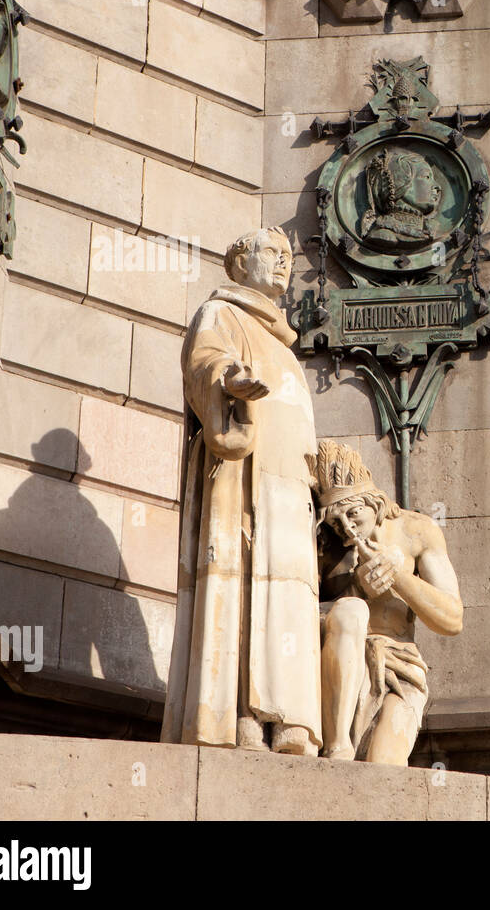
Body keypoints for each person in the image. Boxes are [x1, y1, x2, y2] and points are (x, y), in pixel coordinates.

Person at [162, 227, 324, 755]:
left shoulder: (285, 346)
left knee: (290, 592)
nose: (283, 263)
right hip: (243, 482)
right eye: (270, 253)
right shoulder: (221, 314)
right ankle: (242, 718)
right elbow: (203, 363)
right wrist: (228, 380)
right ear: (238, 263)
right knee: (244, 587)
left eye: (288, 257)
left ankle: (292, 718)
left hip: (290, 493)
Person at [311, 440, 462, 764]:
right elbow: (298, 610)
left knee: (385, 765)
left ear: (375, 501)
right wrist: (355, 592)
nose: (348, 528)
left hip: (399, 661)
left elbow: (452, 619)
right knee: (352, 610)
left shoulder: (416, 530)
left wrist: (398, 576)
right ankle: (337, 747)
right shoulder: (325, 542)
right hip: (334, 662)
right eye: (337, 521)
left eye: (354, 513)